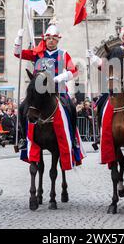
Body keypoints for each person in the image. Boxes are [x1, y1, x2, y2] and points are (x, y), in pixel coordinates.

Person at [14, 19, 78, 150]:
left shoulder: (63, 54)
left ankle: (73, 138)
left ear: (58, 40)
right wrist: (19, 38)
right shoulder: (37, 53)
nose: (51, 41)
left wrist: (61, 77)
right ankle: (23, 138)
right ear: (45, 39)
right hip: (39, 91)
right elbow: (18, 53)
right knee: (22, 108)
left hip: (58, 90)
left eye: (54, 39)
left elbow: (74, 71)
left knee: (71, 108)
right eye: (48, 38)